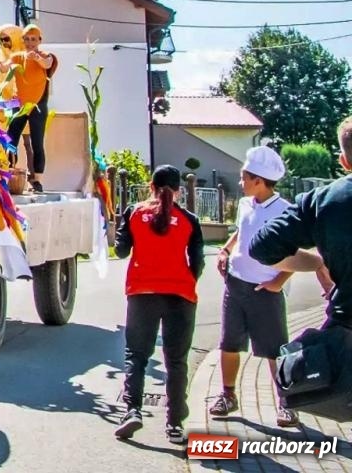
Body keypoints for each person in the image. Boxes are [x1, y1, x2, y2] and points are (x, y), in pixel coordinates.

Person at [210, 146, 322, 428]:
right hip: (235, 285)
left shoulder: (284, 212)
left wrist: (277, 282)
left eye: (244, 177)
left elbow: (294, 254)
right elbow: (240, 231)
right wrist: (224, 251)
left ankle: (286, 403)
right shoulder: (247, 204)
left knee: (274, 350)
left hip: (265, 291)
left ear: (258, 180)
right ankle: (228, 394)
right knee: (229, 343)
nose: (240, 182)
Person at [115, 164, 204, 444]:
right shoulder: (189, 219)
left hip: (142, 292)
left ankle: (132, 411)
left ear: (150, 186)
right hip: (181, 295)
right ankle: (175, 424)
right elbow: (198, 262)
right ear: (179, 191)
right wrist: (184, 279)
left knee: (137, 356)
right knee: (176, 361)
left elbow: (120, 250)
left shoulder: (134, 213)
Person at [250, 117, 352, 331]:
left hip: (346, 334)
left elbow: (262, 248)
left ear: (344, 162)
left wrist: (316, 263)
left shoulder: (321, 202)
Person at [2, 23, 58, 192]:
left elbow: (48, 63)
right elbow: (6, 66)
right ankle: (8, 174)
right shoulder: (18, 56)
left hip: (38, 105)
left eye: (33, 39)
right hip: (19, 104)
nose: (30, 42)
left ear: (39, 40)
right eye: (27, 39)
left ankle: (37, 179)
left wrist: (38, 58)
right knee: (11, 139)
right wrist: (0, 65)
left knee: (37, 142)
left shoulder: (45, 55)